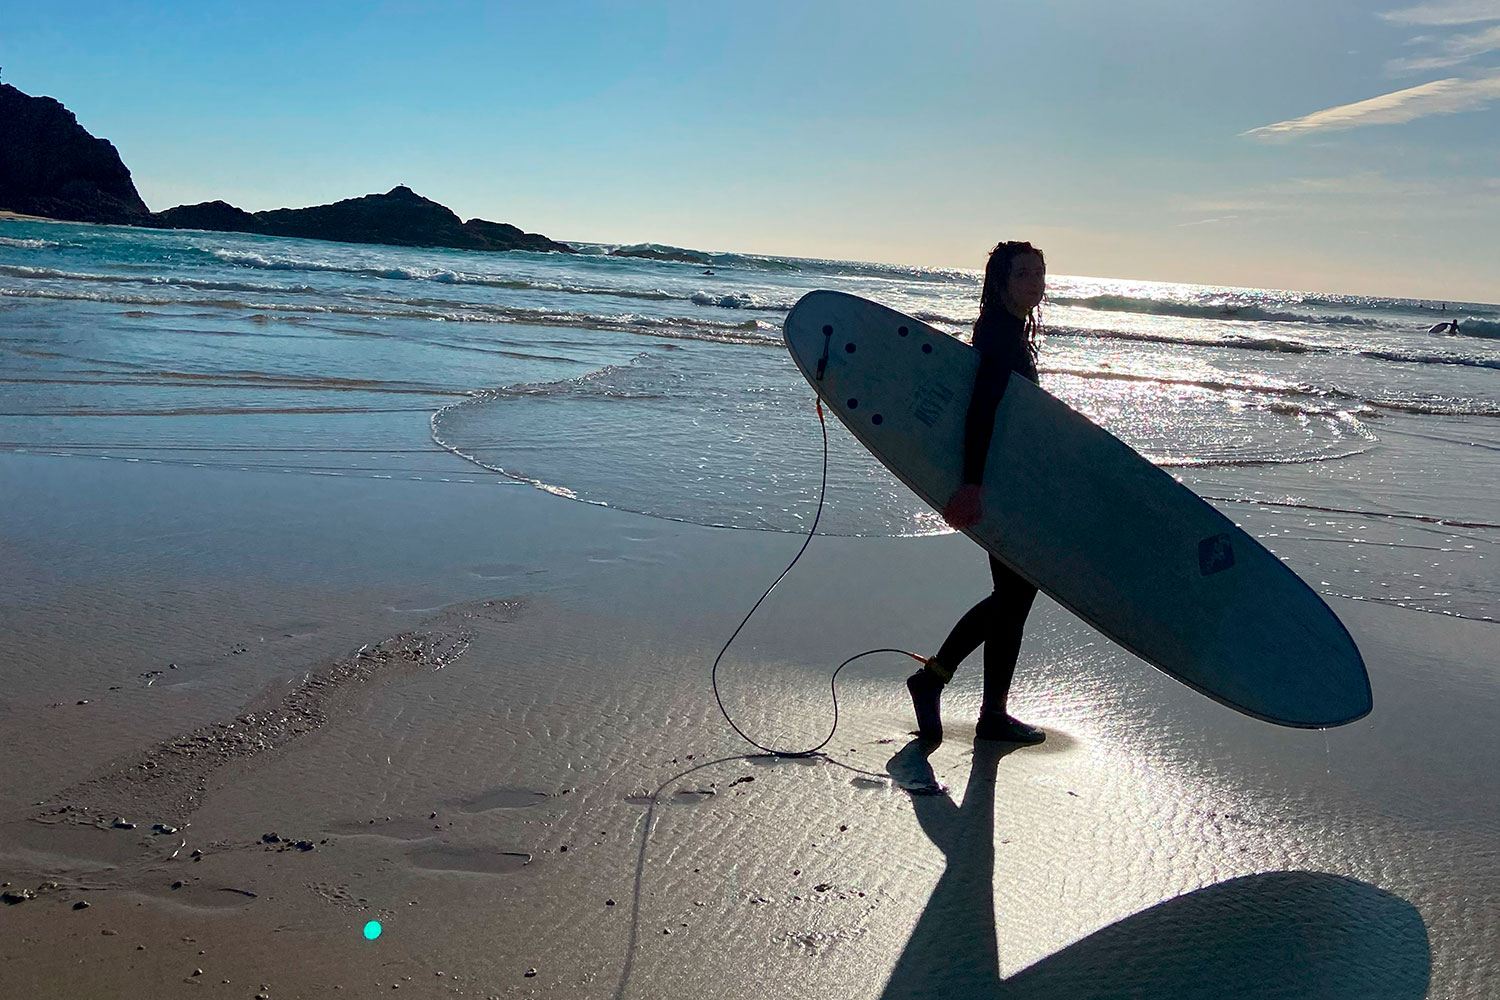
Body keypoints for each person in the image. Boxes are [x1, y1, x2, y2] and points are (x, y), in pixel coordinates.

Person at [906, 241, 1048, 745]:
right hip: (996, 483)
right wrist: (971, 483)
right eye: (1023, 273)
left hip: (1007, 479)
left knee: (1013, 598)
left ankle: (983, 708)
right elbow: (981, 408)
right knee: (1013, 597)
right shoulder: (998, 334)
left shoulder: (1010, 331)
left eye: (1038, 273)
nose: (1033, 281)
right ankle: (938, 684)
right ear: (1001, 281)